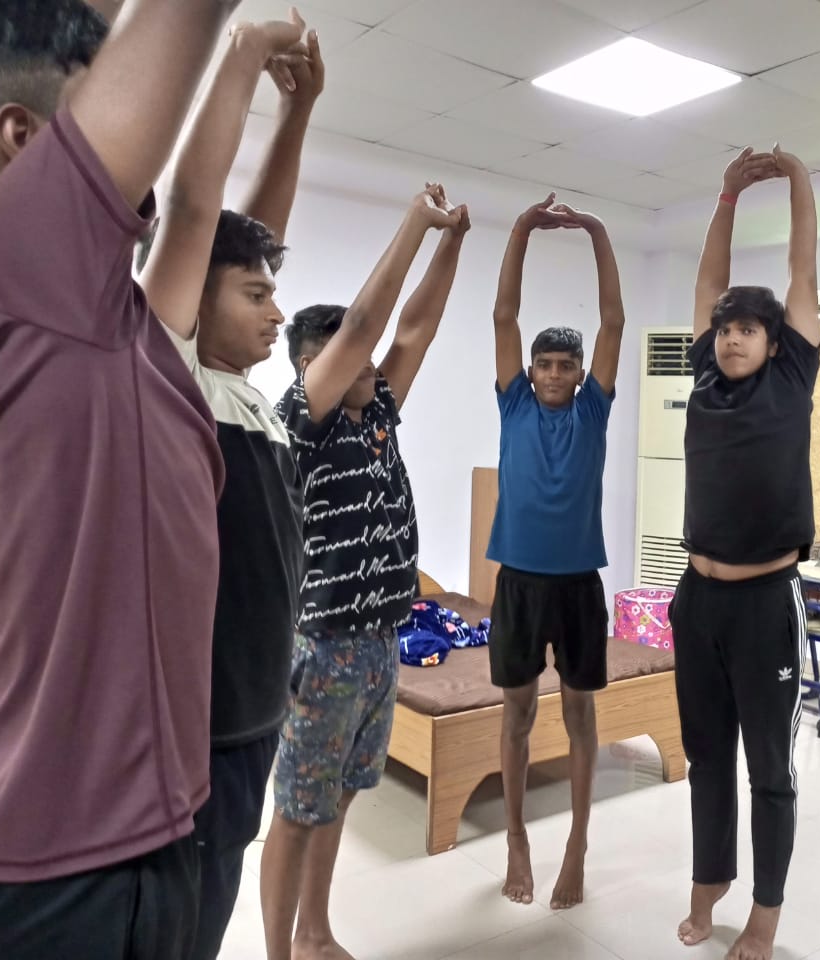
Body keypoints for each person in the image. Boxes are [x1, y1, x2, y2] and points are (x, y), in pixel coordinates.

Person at [0, 1, 248, 956]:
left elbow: (200, 206)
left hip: (150, 835)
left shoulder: (113, 335)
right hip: (57, 873)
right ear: (25, 144)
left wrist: (251, 59)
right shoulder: (10, 267)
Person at [137, 12, 320, 958]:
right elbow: (197, 213)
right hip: (194, 734)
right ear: (191, 300)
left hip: (255, 718)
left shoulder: (253, 403)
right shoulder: (168, 377)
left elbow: (252, 239)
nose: (277, 313)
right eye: (255, 297)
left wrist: (299, 115)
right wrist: (243, 53)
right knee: (182, 930)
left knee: (208, 921)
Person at [260, 183, 467, 960]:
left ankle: (315, 933)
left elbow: (414, 327)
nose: (373, 362)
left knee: (341, 796)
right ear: (312, 365)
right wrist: (416, 222)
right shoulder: (301, 421)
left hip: (383, 639)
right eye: (355, 354)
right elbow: (371, 325)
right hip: (326, 645)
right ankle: (279, 953)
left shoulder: (375, 411)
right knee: (298, 809)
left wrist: (452, 242)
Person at [670, 145, 816, 960]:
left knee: (769, 768)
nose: (730, 338)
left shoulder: (791, 378)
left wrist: (796, 179)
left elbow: (803, 269)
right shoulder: (703, 378)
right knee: (705, 757)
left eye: (747, 329)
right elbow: (706, 283)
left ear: (773, 340)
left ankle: (765, 912)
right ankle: (709, 881)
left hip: (766, 601)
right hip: (698, 599)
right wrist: (725, 193)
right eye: (725, 328)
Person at [486, 193, 627, 911]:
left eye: (562, 365)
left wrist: (597, 230)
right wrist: (521, 228)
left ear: (577, 374)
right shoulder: (513, 402)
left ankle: (577, 844)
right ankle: (515, 838)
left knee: (578, 716)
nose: (549, 373)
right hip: (517, 583)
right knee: (515, 716)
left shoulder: (592, 411)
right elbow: (503, 316)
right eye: (542, 363)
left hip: (577, 587)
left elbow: (614, 322)